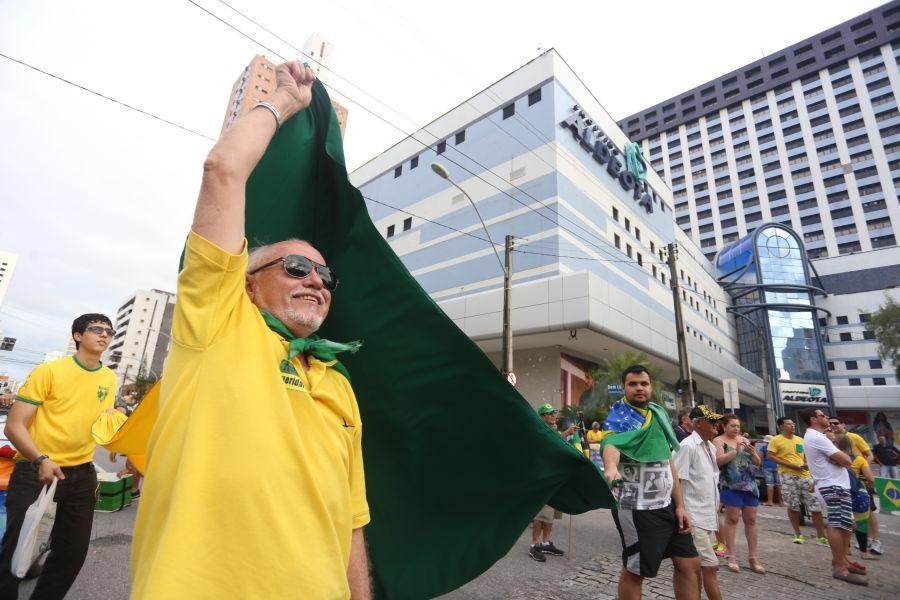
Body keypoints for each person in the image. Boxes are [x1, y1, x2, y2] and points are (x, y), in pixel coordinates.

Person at [130, 62, 371, 599]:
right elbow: (223, 171)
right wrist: (283, 101)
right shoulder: (217, 325)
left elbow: (351, 521)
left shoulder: (339, 384)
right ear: (247, 285)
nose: (316, 280)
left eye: (325, 274)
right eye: (294, 268)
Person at [0, 314, 119, 598]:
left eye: (109, 331)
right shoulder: (49, 372)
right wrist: (41, 460)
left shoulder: (109, 377)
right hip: (35, 470)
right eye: (96, 329)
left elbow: (104, 417)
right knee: (17, 548)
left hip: (81, 475)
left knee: (71, 552)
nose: (104, 335)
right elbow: (14, 426)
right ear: (78, 336)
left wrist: (116, 438)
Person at [601, 365, 699, 600]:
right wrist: (611, 468)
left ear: (651, 387)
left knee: (690, 565)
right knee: (636, 571)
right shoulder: (618, 417)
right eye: (633, 384)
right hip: (637, 508)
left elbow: (668, 463)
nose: (639, 388)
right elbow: (612, 446)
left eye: (644, 383)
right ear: (623, 387)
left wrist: (680, 506)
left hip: (668, 506)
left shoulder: (658, 415)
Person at [799, 408, 867, 586]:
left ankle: (842, 560)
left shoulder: (821, 437)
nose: (827, 418)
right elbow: (847, 460)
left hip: (836, 484)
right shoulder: (816, 437)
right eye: (822, 415)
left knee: (846, 525)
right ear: (813, 419)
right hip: (832, 486)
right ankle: (839, 567)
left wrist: (835, 447)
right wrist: (839, 454)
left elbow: (842, 459)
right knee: (838, 525)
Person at [673, 405, 724, 600]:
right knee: (710, 568)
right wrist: (681, 510)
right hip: (694, 519)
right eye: (711, 421)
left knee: (700, 570)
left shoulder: (710, 447)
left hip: (708, 518)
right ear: (698, 423)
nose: (716, 425)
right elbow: (675, 479)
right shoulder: (687, 446)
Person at [713, 414, 764, 574]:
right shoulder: (718, 441)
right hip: (731, 484)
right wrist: (736, 450)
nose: (736, 429)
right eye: (732, 426)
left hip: (749, 485)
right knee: (732, 519)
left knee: (751, 520)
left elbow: (757, 462)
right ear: (724, 426)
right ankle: (731, 555)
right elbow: (719, 461)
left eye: (738, 426)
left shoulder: (744, 440)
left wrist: (753, 452)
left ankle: (753, 557)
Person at [766, 416, 827, 545]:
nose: (792, 426)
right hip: (787, 476)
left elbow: (805, 456)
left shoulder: (800, 440)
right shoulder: (776, 440)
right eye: (789, 424)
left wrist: (806, 464)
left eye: (793, 423)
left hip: (805, 475)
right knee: (793, 506)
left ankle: (821, 536)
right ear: (781, 426)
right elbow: (770, 456)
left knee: (815, 505)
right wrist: (789, 465)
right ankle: (798, 534)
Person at [828, 416, 881, 555]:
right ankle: (854, 544)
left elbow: (869, 455)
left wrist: (862, 468)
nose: (833, 425)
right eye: (830, 424)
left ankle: (875, 541)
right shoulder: (830, 438)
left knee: (868, 513)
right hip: (844, 484)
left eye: (836, 423)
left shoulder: (854, 437)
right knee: (848, 516)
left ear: (843, 424)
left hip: (859, 483)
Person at [529, 404, 575, 562]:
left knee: (551, 514)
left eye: (554, 412)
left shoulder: (552, 430)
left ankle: (546, 542)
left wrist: (565, 434)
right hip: (543, 477)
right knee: (541, 514)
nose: (553, 415)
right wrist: (566, 433)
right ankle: (534, 545)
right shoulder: (539, 430)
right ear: (541, 416)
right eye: (549, 413)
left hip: (554, 476)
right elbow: (549, 445)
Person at [835, 434, 878, 561]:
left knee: (843, 521)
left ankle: (846, 549)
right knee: (861, 523)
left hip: (840, 493)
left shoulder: (833, 459)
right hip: (858, 494)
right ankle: (864, 552)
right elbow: (871, 479)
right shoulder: (859, 459)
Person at [756, 435, 783, 506]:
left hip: (767, 467)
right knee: (779, 484)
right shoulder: (777, 448)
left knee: (769, 484)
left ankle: (770, 501)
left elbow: (759, 459)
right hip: (777, 466)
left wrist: (758, 466)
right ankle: (781, 502)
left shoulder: (763, 448)